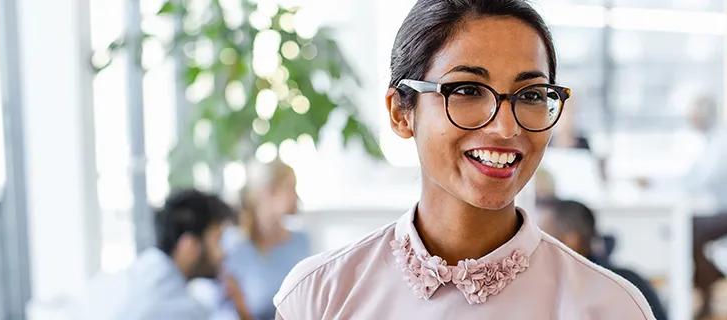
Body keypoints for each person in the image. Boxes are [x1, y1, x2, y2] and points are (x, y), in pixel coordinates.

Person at [273, 1, 656, 318]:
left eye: (532, 95)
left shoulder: (609, 307)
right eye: (468, 89)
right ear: (400, 113)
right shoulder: (319, 296)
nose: (506, 127)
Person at [640, 95, 727, 318]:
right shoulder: (718, 139)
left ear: (704, 114)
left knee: (686, 230)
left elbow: (694, 182)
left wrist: (655, 184)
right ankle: (710, 283)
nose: (690, 120)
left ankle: (711, 283)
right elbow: (693, 177)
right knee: (688, 229)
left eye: (693, 115)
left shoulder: (724, 142)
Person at [75, 189, 251, 320]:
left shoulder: (128, 278)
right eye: (217, 240)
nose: (222, 254)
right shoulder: (181, 308)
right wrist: (241, 307)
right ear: (189, 247)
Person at [537, 199, 669, 320]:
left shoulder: (606, 289)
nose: (537, 246)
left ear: (570, 240)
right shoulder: (629, 283)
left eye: (543, 238)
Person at [212, 160, 310, 320]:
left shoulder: (301, 241)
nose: (297, 196)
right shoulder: (233, 248)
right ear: (268, 192)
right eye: (290, 188)